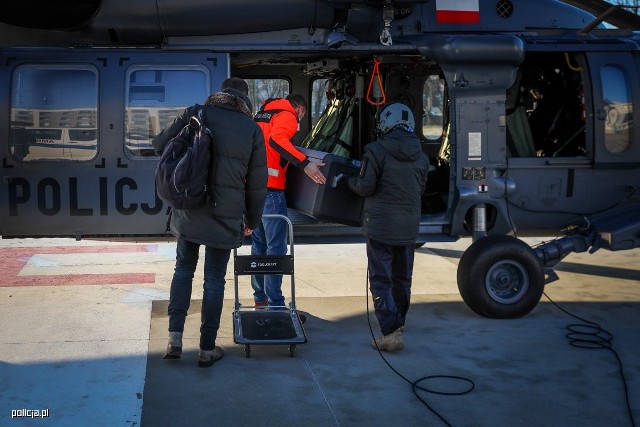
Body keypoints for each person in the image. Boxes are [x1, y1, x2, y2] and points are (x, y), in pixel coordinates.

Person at [152, 77, 267, 367]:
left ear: (220, 93)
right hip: (225, 215)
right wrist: (251, 219)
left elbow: (159, 145)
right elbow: (257, 184)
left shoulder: (196, 111)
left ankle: (174, 339)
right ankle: (206, 348)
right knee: (214, 280)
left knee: (183, 270)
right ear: (246, 99)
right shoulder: (252, 130)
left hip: (189, 207)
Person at [342, 102, 429, 352]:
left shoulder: (376, 150)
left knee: (381, 278)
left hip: (381, 227)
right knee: (403, 279)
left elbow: (366, 186)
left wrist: (349, 181)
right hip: (409, 227)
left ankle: (390, 332)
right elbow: (420, 190)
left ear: (385, 124)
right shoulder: (422, 156)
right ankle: (398, 324)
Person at [251, 94, 326, 315]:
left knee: (259, 247)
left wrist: (301, 157)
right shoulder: (288, 116)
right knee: (276, 249)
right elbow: (278, 140)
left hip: (254, 190)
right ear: (301, 109)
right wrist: (305, 164)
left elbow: (270, 147)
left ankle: (260, 299)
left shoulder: (263, 114)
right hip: (272, 192)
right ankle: (276, 304)